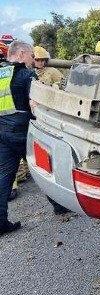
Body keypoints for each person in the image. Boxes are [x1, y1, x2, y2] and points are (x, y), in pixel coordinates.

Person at [0, 40, 36, 236]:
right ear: (21, 54)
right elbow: (36, 104)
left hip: (2, 133)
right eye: (31, 55)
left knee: (3, 177)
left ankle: (0, 222)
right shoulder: (26, 75)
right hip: (23, 132)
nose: (33, 60)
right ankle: (60, 206)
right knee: (44, 168)